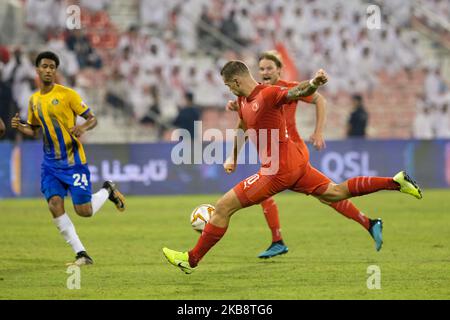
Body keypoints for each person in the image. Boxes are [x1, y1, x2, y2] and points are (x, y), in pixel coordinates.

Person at [162, 60, 422, 274]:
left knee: (222, 207)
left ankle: (191, 259)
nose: (228, 89)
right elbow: (241, 128)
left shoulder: (268, 94)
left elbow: (296, 92)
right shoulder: (242, 101)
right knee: (336, 193)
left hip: (278, 169)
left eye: (228, 85)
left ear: (237, 81)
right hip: (294, 163)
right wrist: (233, 157)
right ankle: (396, 182)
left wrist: (314, 83)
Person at [11, 51, 126, 266]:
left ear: (55, 71)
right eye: (44, 66)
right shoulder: (33, 100)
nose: (48, 70)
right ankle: (81, 253)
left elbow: (92, 118)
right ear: (37, 70)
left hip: (73, 162)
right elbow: (36, 130)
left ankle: (107, 190)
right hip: (50, 164)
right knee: (54, 204)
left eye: (52, 67)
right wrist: (21, 127)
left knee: (84, 212)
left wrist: (81, 127)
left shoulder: (68, 94)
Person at [224, 51, 328, 258]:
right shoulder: (255, 95)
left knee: (329, 194)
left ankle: (278, 241)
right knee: (331, 193)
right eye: (261, 68)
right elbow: (246, 121)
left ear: (279, 70)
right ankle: (277, 240)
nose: (264, 72)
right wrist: (240, 107)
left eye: (269, 68)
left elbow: (316, 97)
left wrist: (318, 131)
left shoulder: (283, 90)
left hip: (291, 151)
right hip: (273, 155)